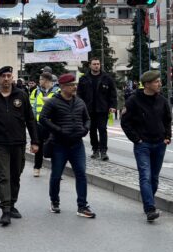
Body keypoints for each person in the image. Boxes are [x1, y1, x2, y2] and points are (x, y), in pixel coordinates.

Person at [0, 66, 39, 226]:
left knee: (15, 175)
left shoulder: (21, 95)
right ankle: (5, 210)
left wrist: (35, 141)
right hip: (0, 144)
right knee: (3, 176)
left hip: (18, 142)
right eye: (3, 76)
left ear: (12, 78)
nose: (6, 78)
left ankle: (12, 203)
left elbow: (30, 119)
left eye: (9, 76)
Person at [39, 73, 95, 219]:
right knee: (57, 175)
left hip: (77, 144)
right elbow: (43, 119)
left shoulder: (79, 102)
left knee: (81, 174)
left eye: (74, 84)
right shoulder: (53, 102)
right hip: (59, 145)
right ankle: (54, 201)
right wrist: (58, 130)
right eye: (71, 85)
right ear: (63, 87)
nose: (74, 87)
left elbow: (87, 119)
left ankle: (82, 206)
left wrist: (85, 129)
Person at [120, 71, 172, 222]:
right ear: (147, 84)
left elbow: (167, 120)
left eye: (159, 81)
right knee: (145, 176)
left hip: (160, 144)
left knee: (154, 178)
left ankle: (149, 200)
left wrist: (167, 137)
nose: (159, 84)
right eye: (156, 82)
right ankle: (150, 208)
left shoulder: (162, 100)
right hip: (143, 145)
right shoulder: (134, 100)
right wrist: (137, 139)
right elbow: (125, 122)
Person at [77, 58, 117, 161]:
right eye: (94, 64)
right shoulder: (84, 78)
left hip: (103, 109)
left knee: (103, 129)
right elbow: (79, 94)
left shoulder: (107, 78)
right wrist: (80, 106)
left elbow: (113, 93)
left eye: (98, 64)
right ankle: (95, 149)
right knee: (92, 130)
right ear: (90, 65)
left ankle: (103, 151)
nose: (96, 66)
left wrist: (113, 106)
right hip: (88, 109)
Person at [29, 72, 58, 177]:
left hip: (52, 125)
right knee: (38, 146)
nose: (39, 81)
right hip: (38, 124)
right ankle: (37, 168)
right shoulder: (36, 91)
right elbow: (32, 106)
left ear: (46, 80)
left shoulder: (57, 92)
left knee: (54, 148)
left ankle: (56, 171)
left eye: (41, 79)